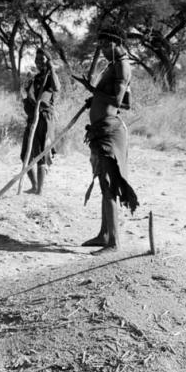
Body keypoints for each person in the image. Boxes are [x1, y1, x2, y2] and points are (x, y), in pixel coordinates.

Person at [74, 25, 139, 255]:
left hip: (110, 132)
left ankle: (114, 243)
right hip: (102, 129)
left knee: (110, 185)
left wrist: (93, 90)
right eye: (99, 45)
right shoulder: (114, 65)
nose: (102, 49)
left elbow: (116, 97)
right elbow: (126, 104)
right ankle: (104, 234)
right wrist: (96, 100)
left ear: (117, 42)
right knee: (104, 183)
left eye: (105, 44)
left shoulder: (122, 65)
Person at [20, 47, 60, 195]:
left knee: (42, 154)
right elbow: (27, 99)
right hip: (32, 119)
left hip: (44, 118)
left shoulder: (50, 77)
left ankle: (40, 190)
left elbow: (57, 87)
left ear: (48, 61)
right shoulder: (34, 78)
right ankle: (34, 186)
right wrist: (25, 92)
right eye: (36, 59)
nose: (38, 62)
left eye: (41, 59)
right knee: (25, 154)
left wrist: (52, 69)